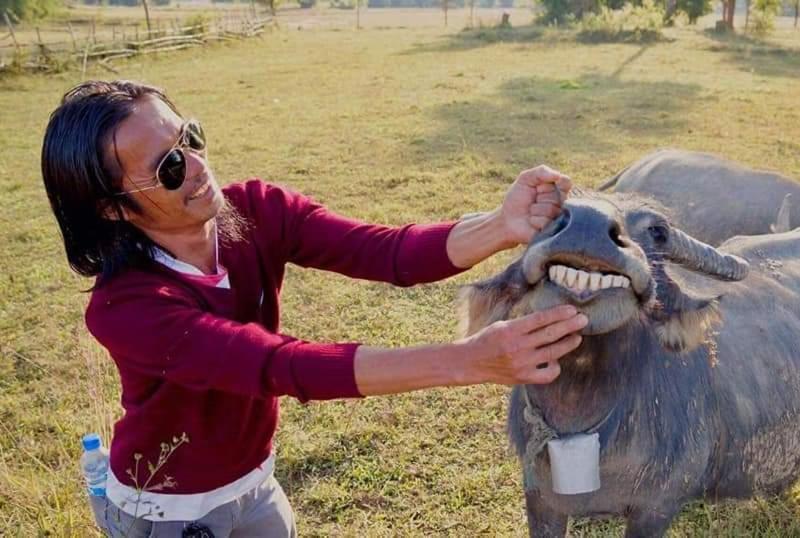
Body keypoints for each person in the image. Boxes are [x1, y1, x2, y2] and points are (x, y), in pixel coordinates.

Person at [41, 80, 587, 537]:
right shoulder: (126, 308)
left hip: (253, 483)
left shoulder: (256, 210)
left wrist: (500, 225)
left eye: (191, 137)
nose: (199, 165)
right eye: (170, 167)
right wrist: (469, 361)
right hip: (165, 511)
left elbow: (388, 252)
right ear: (111, 209)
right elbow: (282, 365)